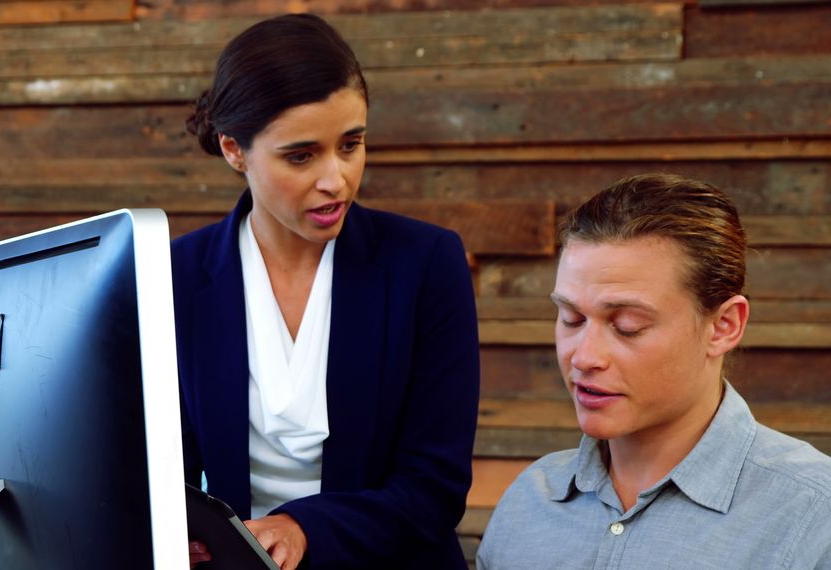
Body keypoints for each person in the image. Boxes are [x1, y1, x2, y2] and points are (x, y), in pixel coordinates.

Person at [171, 13, 480, 570]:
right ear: (233, 150)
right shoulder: (176, 276)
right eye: (301, 155)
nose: (336, 179)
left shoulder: (425, 264)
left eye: (351, 144)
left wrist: (302, 527)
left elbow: (435, 484)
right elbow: (158, 468)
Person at [476, 174, 831, 568]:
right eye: (571, 318)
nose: (583, 357)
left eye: (627, 325)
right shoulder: (530, 501)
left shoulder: (814, 516)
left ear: (723, 326)